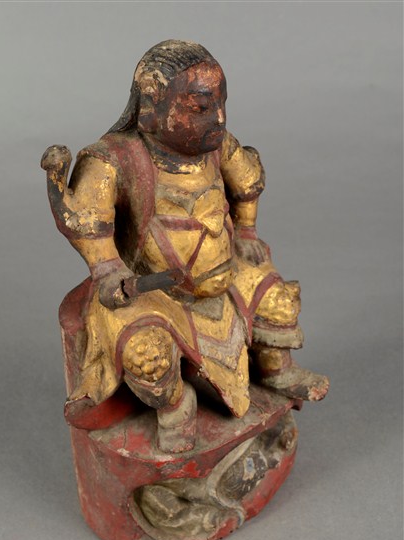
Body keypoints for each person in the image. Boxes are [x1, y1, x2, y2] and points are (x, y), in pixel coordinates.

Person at [42, 40, 328, 454]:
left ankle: (276, 369)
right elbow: (90, 223)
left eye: (222, 104)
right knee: (147, 353)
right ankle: (175, 407)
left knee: (276, 300)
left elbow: (248, 183)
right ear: (151, 109)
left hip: (226, 277)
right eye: (201, 108)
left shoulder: (219, 146)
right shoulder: (114, 161)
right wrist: (106, 269)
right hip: (158, 294)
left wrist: (247, 232)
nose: (219, 119)